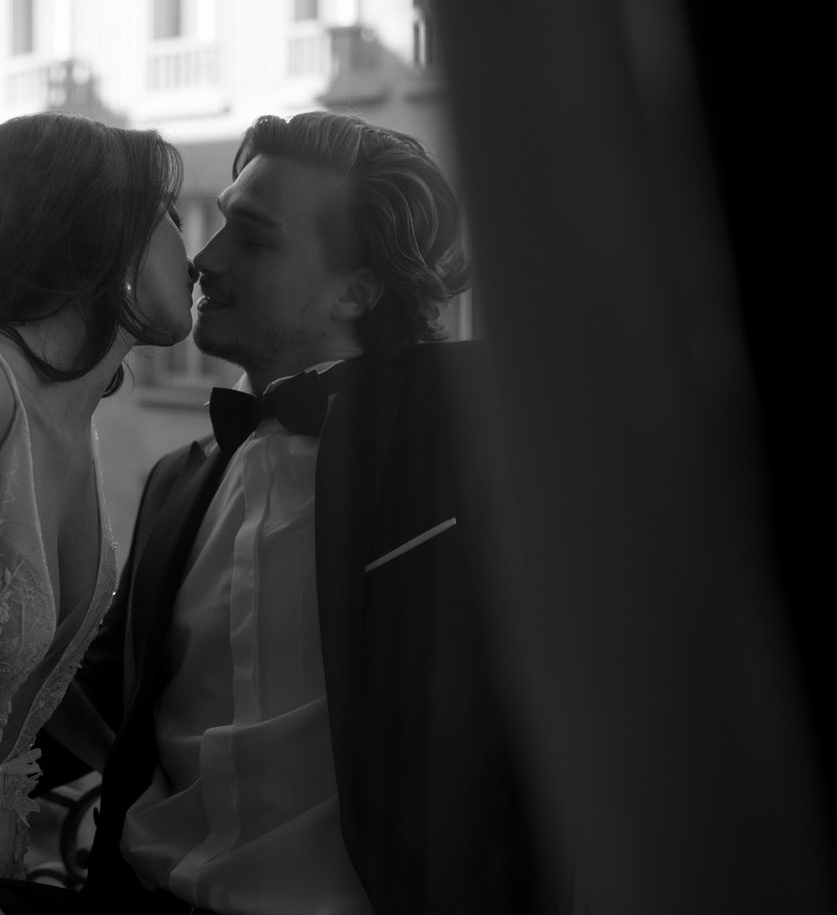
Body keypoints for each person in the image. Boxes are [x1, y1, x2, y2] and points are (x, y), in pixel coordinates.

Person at [73, 111, 554, 914]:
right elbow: (88, 696)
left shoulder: (470, 445)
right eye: (220, 222)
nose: (204, 259)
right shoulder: (173, 483)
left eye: (253, 239)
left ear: (361, 286)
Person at [0, 111, 196, 915]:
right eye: (168, 210)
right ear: (98, 232)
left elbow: (19, 679)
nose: (195, 246)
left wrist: (134, 774)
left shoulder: (76, 417)